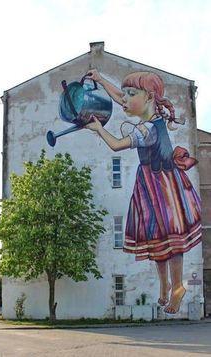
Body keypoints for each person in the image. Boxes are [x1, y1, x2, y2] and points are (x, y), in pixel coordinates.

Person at [85, 69, 201, 314]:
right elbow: (119, 96)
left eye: (131, 94)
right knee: (156, 237)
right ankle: (164, 285)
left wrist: (98, 129)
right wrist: (101, 79)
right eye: (126, 93)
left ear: (149, 96)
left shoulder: (147, 130)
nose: (124, 99)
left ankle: (178, 286)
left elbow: (116, 145)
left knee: (171, 236)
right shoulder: (153, 114)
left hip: (162, 187)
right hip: (150, 185)